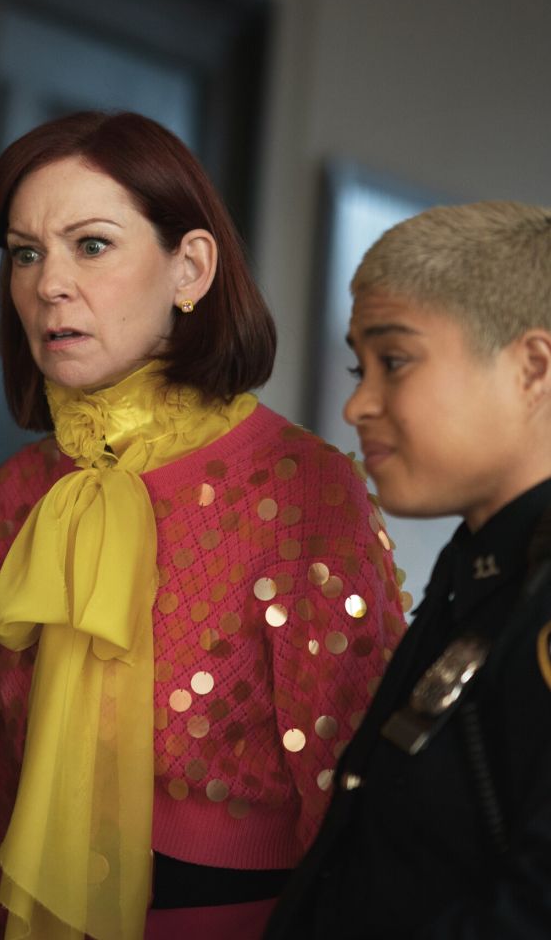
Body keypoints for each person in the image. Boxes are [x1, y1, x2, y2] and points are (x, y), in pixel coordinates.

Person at [0, 111, 406, 939]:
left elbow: (361, 814)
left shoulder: (303, 490)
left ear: (190, 268)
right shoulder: (24, 490)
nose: (49, 285)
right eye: (26, 252)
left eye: (93, 245)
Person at [264, 201, 551, 938]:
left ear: (532, 368)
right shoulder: (484, 572)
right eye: (362, 367)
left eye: (394, 361)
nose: (358, 403)